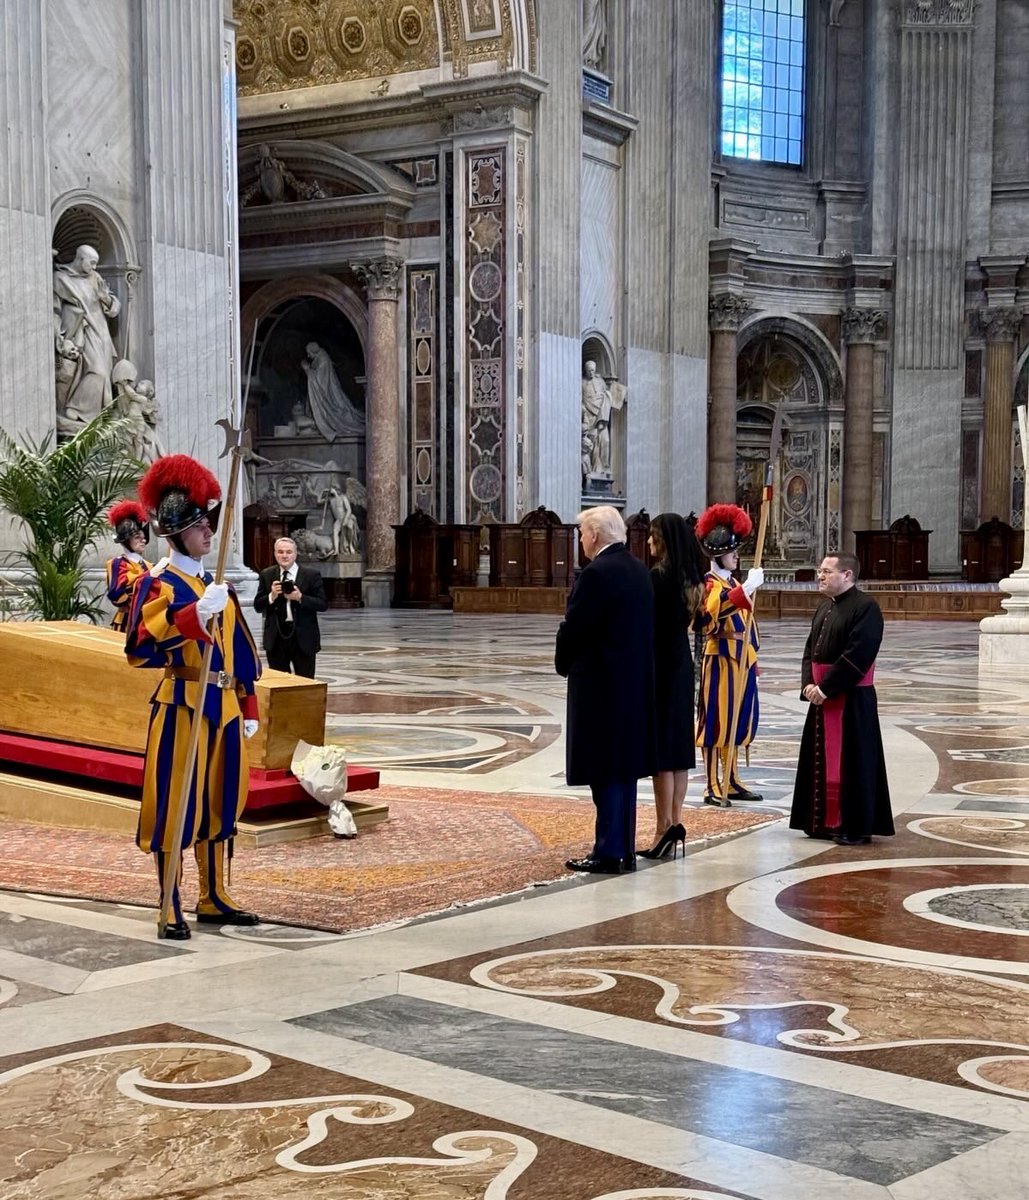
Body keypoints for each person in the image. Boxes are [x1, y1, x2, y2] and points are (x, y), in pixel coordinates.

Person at [125, 453, 262, 939]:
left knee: (220, 799)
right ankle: (168, 903)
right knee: (174, 801)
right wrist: (192, 617)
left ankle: (214, 895)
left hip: (222, 706)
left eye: (210, 524)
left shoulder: (213, 583)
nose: (210, 533)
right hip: (182, 702)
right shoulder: (158, 582)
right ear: (179, 531)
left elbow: (239, 653)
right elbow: (141, 645)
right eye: (201, 525)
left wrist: (247, 704)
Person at [555, 505, 656, 873]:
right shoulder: (639, 570)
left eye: (583, 533)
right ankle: (622, 847)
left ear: (595, 535)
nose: (581, 539)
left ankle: (609, 851)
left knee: (605, 771)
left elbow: (576, 627)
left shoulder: (597, 574)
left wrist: (562, 662)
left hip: (601, 687)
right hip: (632, 685)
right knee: (622, 769)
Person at [789, 552, 894, 846]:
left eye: (826, 571)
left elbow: (859, 654)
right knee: (819, 759)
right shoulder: (824, 608)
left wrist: (826, 688)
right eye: (819, 571)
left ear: (847, 575)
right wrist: (809, 684)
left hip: (852, 701)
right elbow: (810, 651)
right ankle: (821, 820)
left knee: (853, 761)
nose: (820, 576)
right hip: (822, 698)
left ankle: (853, 825)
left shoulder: (866, 607)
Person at [641, 513, 707, 859]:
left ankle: (662, 827)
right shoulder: (694, 577)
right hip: (682, 662)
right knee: (679, 751)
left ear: (664, 540)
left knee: (661, 753)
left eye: (654, 537)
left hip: (661, 663)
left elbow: (646, 623)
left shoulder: (658, 577)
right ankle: (677, 823)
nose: (649, 542)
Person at [694, 503, 764, 806]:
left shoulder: (733, 582)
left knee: (740, 718)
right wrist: (745, 589)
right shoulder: (710, 584)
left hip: (742, 658)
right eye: (733, 551)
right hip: (720, 657)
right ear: (718, 552)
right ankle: (712, 784)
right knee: (717, 721)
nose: (737, 556)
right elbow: (710, 614)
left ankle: (732, 779)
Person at [52, 244, 121, 425]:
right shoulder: (61, 278)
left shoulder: (95, 277)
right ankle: (75, 408)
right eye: (92, 263)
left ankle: (96, 418)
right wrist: (60, 339)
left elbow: (113, 308)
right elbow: (54, 311)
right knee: (98, 372)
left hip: (102, 331)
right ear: (80, 259)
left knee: (105, 373)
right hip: (81, 332)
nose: (94, 267)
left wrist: (105, 297)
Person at [253, 535, 327, 678]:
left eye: (288, 552)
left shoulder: (311, 575)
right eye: (280, 552)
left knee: (305, 684)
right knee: (279, 684)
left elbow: (322, 604)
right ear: (275, 554)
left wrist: (300, 598)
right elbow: (257, 606)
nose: (284, 556)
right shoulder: (267, 574)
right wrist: (271, 596)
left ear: (295, 554)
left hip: (303, 639)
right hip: (276, 639)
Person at [105, 500, 153, 633]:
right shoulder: (117, 564)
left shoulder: (149, 566)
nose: (143, 540)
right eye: (137, 537)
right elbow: (116, 593)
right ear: (126, 539)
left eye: (144, 537)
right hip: (127, 622)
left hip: (148, 622)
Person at [300, 342, 365, 441]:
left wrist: (307, 370)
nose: (308, 356)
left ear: (315, 351)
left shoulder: (324, 361)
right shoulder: (319, 359)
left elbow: (320, 386)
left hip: (332, 400)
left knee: (345, 418)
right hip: (330, 395)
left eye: (309, 353)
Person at [580, 361, 613, 477]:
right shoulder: (581, 382)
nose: (591, 372)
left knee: (605, 441)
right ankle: (591, 471)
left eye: (593, 370)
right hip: (588, 416)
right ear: (585, 370)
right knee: (590, 443)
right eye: (589, 370)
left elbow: (608, 393)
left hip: (601, 416)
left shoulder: (600, 381)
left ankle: (603, 467)